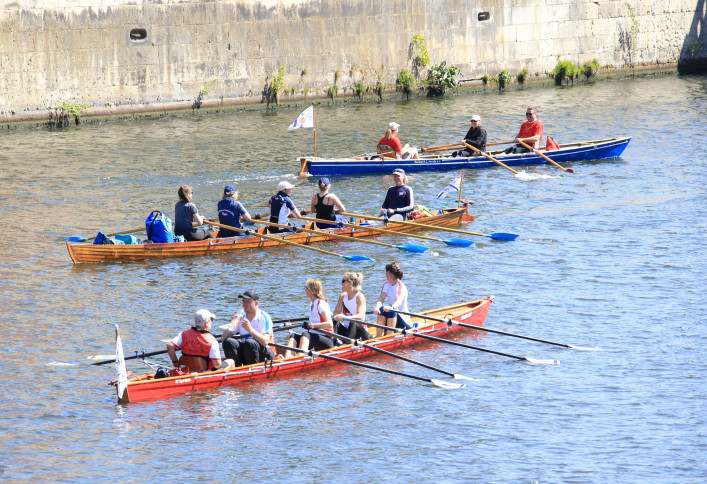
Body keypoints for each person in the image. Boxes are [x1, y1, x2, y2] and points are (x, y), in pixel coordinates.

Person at [166, 309, 233, 373]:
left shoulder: (183, 334)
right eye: (211, 320)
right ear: (206, 323)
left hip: (187, 370)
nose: (212, 322)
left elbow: (170, 346)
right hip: (204, 372)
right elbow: (216, 364)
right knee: (231, 361)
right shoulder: (212, 341)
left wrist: (175, 362)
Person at [220, 289, 275, 366]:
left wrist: (250, 330)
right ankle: (237, 369)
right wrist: (233, 323)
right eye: (243, 301)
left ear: (256, 303)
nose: (244, 305)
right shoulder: (241, 316)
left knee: (250, 342)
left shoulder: (264, 317)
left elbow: (265, 342)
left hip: (266, 352)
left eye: (248, 302)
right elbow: (223, 338)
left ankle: (253, 370)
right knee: (228, 342)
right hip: (248, 351)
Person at [284, 279, 334, 357]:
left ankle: (299, 358)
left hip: (327, 339)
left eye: (306, 287)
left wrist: (312, 325)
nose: (305, 289)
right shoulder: (311, 304)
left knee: (306, 334)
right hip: (314, 337)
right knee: (293, 336)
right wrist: (308, 325)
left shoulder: (321, 304)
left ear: (310, 290)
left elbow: (329, 324)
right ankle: (286, 359)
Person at [372, 262, 413, 336]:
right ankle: (378, 337)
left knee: (391, 311)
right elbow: (381, 298)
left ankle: (389, 336)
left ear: (388, 273)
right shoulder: (386, 284)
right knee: (381, 309)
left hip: (403, 320)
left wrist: (391, 307)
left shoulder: (400, 286)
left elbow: (398, 301)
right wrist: (376, 308)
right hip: (392, 318)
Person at [333, 271, 371, 341]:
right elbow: (336, 312)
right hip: (347, 330)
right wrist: (336, 316)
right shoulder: (342, 296)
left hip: (360, 332)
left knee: (354, 321)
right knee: (334, 321)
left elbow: (360, 316)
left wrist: (345, 317)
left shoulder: (359, 296)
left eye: (343, 281)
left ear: (350, 283)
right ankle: (334, 343)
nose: (341, 283)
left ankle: (347, 345)